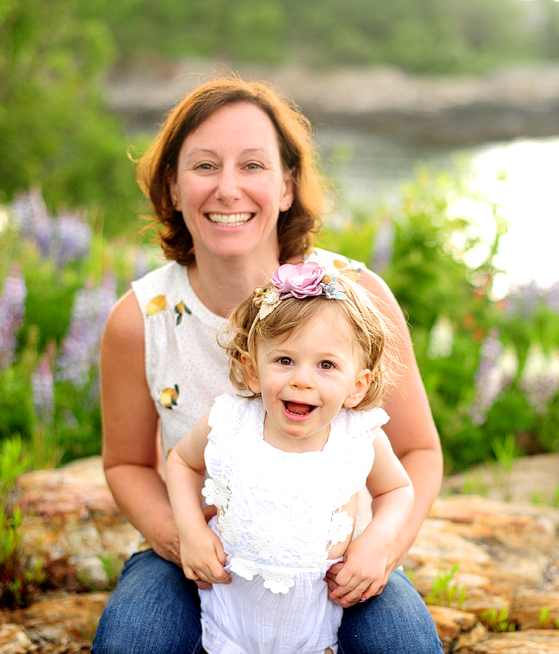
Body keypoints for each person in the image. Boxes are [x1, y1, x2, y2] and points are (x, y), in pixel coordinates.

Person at [93, 73, 444, 654]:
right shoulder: (141, 318)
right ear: (174, 189)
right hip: (199, 552)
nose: (228, 189)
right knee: (134, 641)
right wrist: (179, 537)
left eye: (252, 166)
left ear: (287, 185)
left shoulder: (358, 297)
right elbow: (128, 464)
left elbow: (419, 454)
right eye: (204, 166)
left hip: (335, 561)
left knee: (401, 645)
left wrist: (380, 550)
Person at [166, 262, 415, 654]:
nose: (302, 379)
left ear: (357, 385)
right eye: (284, 360)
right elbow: (181, 463)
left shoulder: (357, 436)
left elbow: (398, 490)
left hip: (313, 622)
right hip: (231, 614)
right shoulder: (229, 421)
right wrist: (191, 530)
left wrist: (377, 542)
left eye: (327, 365)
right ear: (252, 370)